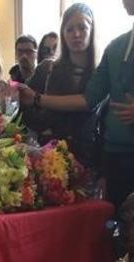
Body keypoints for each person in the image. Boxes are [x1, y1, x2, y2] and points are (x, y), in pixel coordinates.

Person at [21, 0, 134, 207]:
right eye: (70, 28)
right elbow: (88, 99)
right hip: (115, 156)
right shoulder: (117, 46)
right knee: (119, 229)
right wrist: (37, 98)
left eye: (82, 27)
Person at [23, 4, 97, 152]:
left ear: (92, 30)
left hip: (87, 156)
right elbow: (24, 105)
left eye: (82, 27)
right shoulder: (47, 68)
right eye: (69, 29)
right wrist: (44, 128)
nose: (76, 34)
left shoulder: (100, 72)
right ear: (63, 34)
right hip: (48, 155)